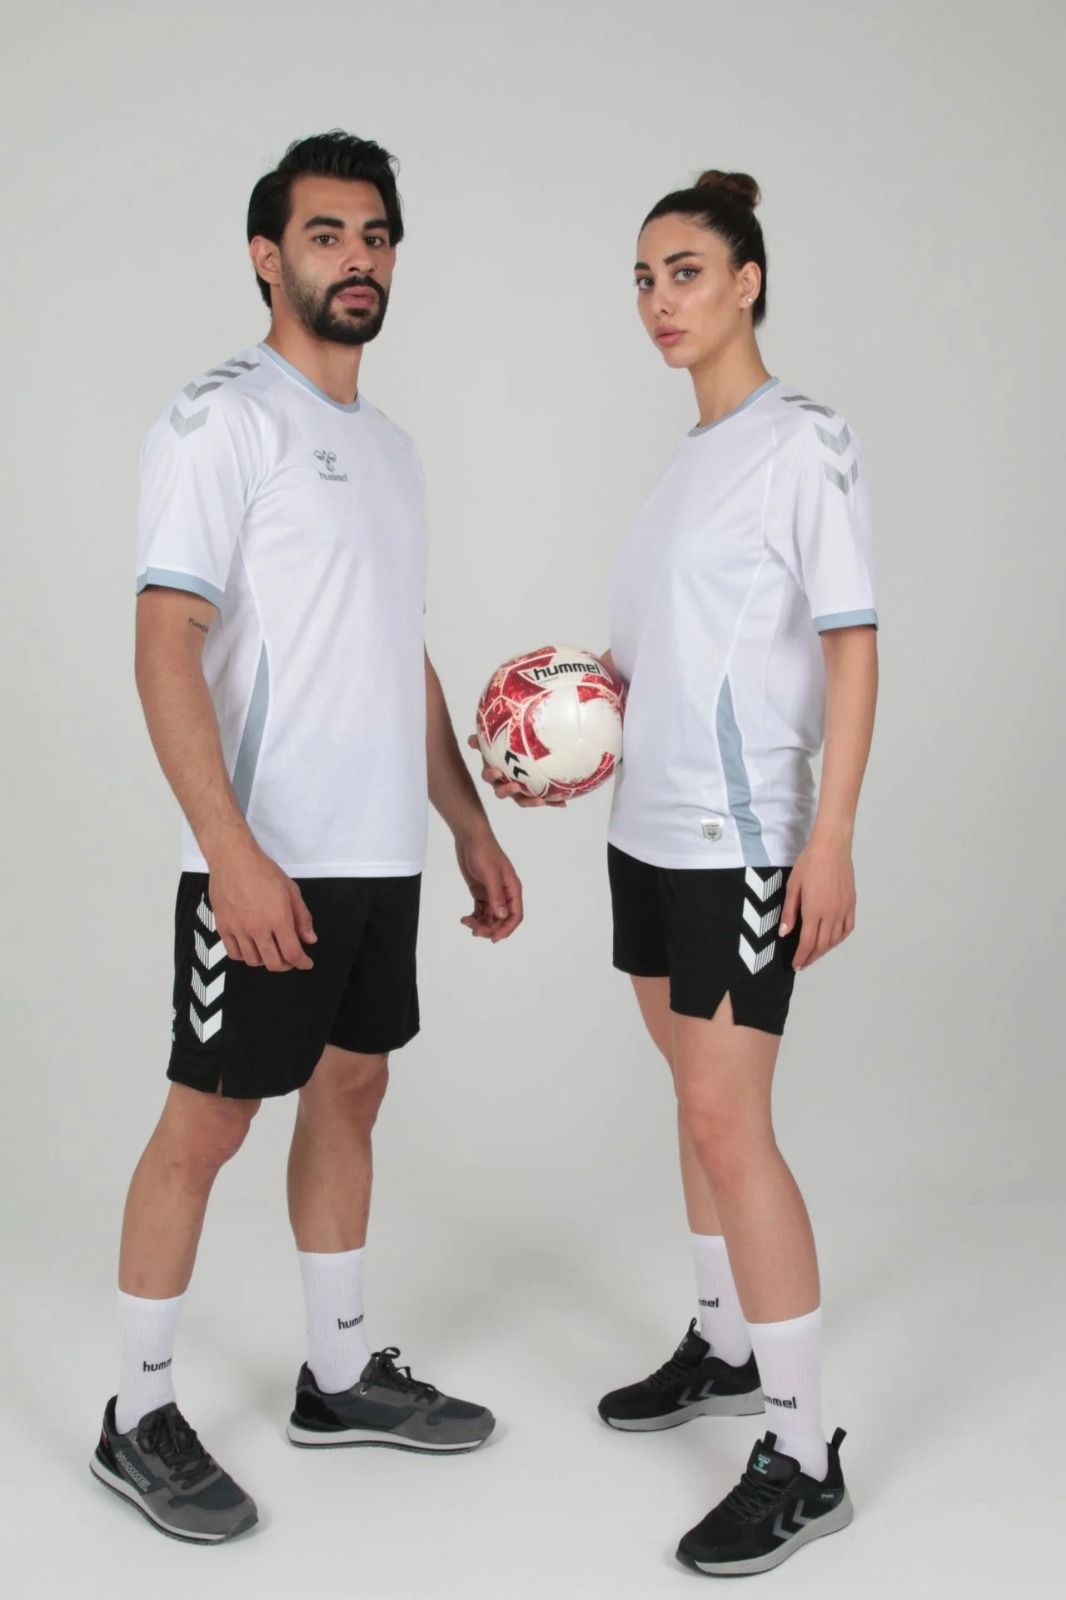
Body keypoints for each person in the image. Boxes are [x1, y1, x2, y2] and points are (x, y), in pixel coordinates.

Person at [91, 131, 523, 1545]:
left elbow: (397, 653)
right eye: (328, 234)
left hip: (379, 852)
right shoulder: (222, 420)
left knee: (351, 1093)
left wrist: (464, 822)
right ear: (266, 257)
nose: (359, 258)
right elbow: (165, 643)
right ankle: (136, 1413)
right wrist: (230, 850)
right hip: (264, 853)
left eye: (377, 235)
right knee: (210, 1119)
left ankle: (336, 1377)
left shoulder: (390, 450)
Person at [476, 169, 878, 1577]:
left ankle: (805, 1457)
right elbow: (665, 659)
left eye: (686, 271)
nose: (659, 300)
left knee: (728, 1125)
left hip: (737, 838)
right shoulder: (681, 467)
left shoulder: (803, 440)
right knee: (694, 1102)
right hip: (642, 833)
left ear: (748, 281)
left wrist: (829, 835)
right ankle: (723, 1345)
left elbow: (849, 646)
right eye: (644, 279)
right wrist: (557, 725)